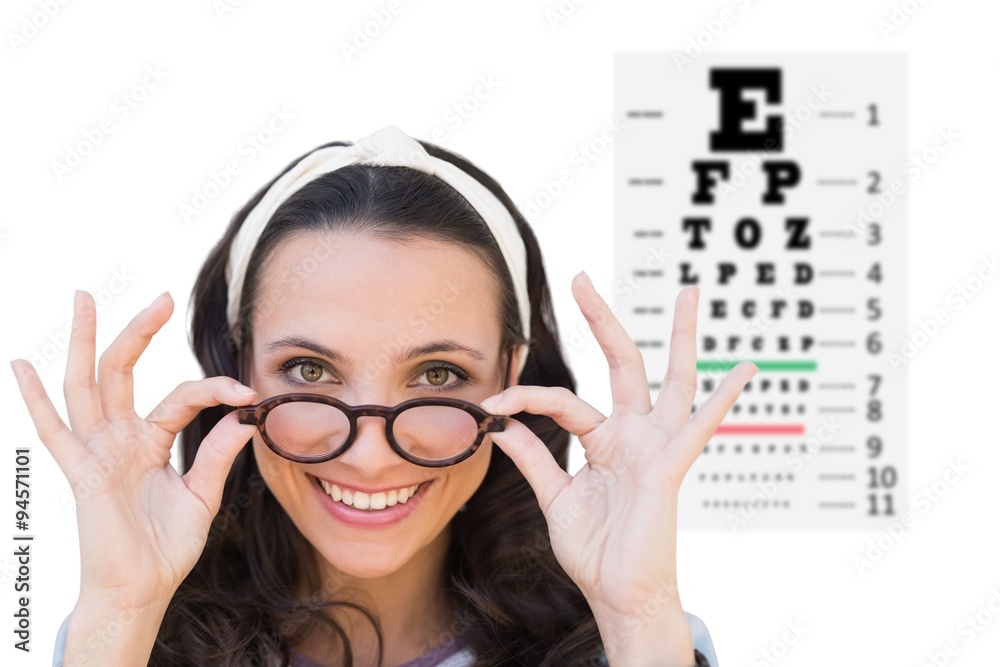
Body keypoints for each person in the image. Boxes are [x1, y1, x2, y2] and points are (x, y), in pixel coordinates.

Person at [12, 126, 755, 666]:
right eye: (308, 370)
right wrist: (120, 611)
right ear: (236, 369)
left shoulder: (647, 647)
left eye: (438, 376)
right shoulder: (122, 642)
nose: (369, 455)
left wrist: (638, 616)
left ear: (511, 374)